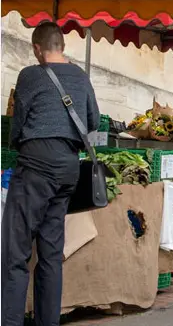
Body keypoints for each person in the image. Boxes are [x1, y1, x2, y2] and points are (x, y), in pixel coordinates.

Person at [2, 22, 101, 326]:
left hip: (36, 165)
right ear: (62, 46)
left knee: (15, 254)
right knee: (50, 253)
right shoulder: (81, 77)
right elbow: (93, 121)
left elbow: (17, 125)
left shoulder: (30, 75)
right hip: (67, 168)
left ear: (36, 48)